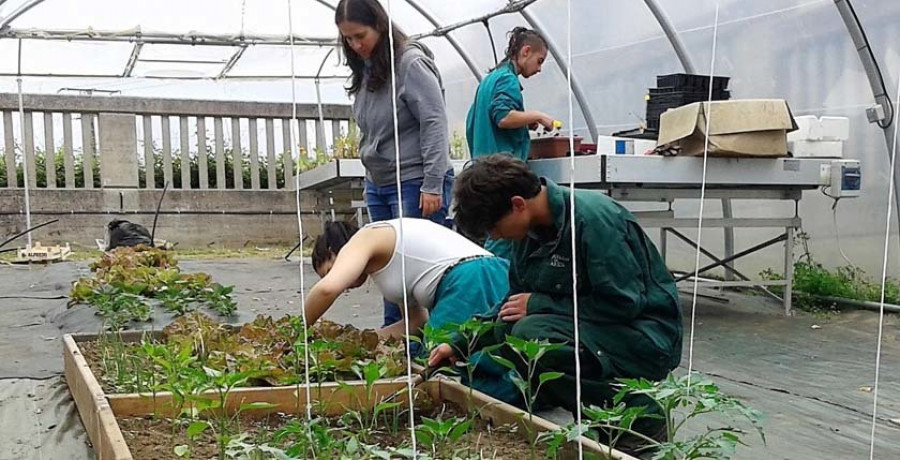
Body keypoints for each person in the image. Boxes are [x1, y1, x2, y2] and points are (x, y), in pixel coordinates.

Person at [430, 154, 683, 439]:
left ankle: (641, 414)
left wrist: (539, 304)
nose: (496, 237)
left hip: (645, 338)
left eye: (494, 228)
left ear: (517, 204)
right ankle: (605, 423)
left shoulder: (592, 220)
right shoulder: (529, 233)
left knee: (531, 337)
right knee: (520, 341)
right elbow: (511, 307)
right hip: (596, 332)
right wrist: (461, 343)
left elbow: (623, 303)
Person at [335, 0, 455, 328]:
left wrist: (433, 183)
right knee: (388, 270)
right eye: (348, 39)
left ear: (380, 26)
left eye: (361, 36)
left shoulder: (410, 63)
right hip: (379, 182)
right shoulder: (368, 67)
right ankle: (394, 350)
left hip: (416, 182)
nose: (356, 45)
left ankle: (429, 349)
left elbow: (434, 121)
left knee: (415, 273)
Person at [305, 219, 509, 344]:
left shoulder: (364, 238)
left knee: (441, 369)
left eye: (331, 270)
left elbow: (326, 290)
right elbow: (416, 322)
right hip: (488, 274)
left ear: (333, 251)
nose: (345, 286)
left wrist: (298, 332)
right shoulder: (386, 260)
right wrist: (360, 340)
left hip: (471, 278)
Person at [466, 27, 556, 162]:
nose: (539, 69)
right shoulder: (508, 79)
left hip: (481, 168)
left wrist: (524, 122)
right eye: (539, 61)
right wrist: (539, 116)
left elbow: (475, 121)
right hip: (500, 170)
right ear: (526, 51)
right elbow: (503, 117)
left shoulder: (490, 79)